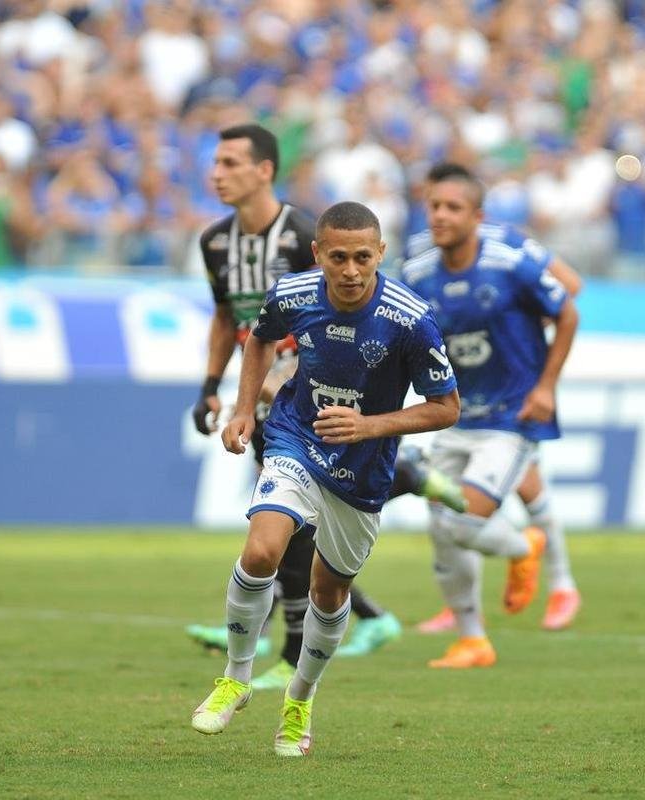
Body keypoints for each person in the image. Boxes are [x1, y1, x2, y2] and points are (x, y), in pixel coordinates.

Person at [185, 124, 453, 692]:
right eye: (215, 162)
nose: (217, 173)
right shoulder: (214, 243)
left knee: (318, 546)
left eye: (230, 162)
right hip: (283, 409)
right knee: (277, 536)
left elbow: (416, 379)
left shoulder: (311, 231)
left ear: (264, 171)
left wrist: (295, 382)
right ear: (320, 258)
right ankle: (285, 646)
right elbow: (231, 322)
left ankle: (407, 479)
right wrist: (216, 387)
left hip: (328, 406)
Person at [401, 164, 579, 668]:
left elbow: (568, 307)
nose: (440, 215)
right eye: (434, 205)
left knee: (461, 520)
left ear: (477, 216)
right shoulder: (415, 267)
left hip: (510, 413)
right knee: (441, 524)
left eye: (452, 207)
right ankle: (472, 639)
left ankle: (526, 547)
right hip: (453, 413)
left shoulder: (509, 259)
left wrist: (545, 386)